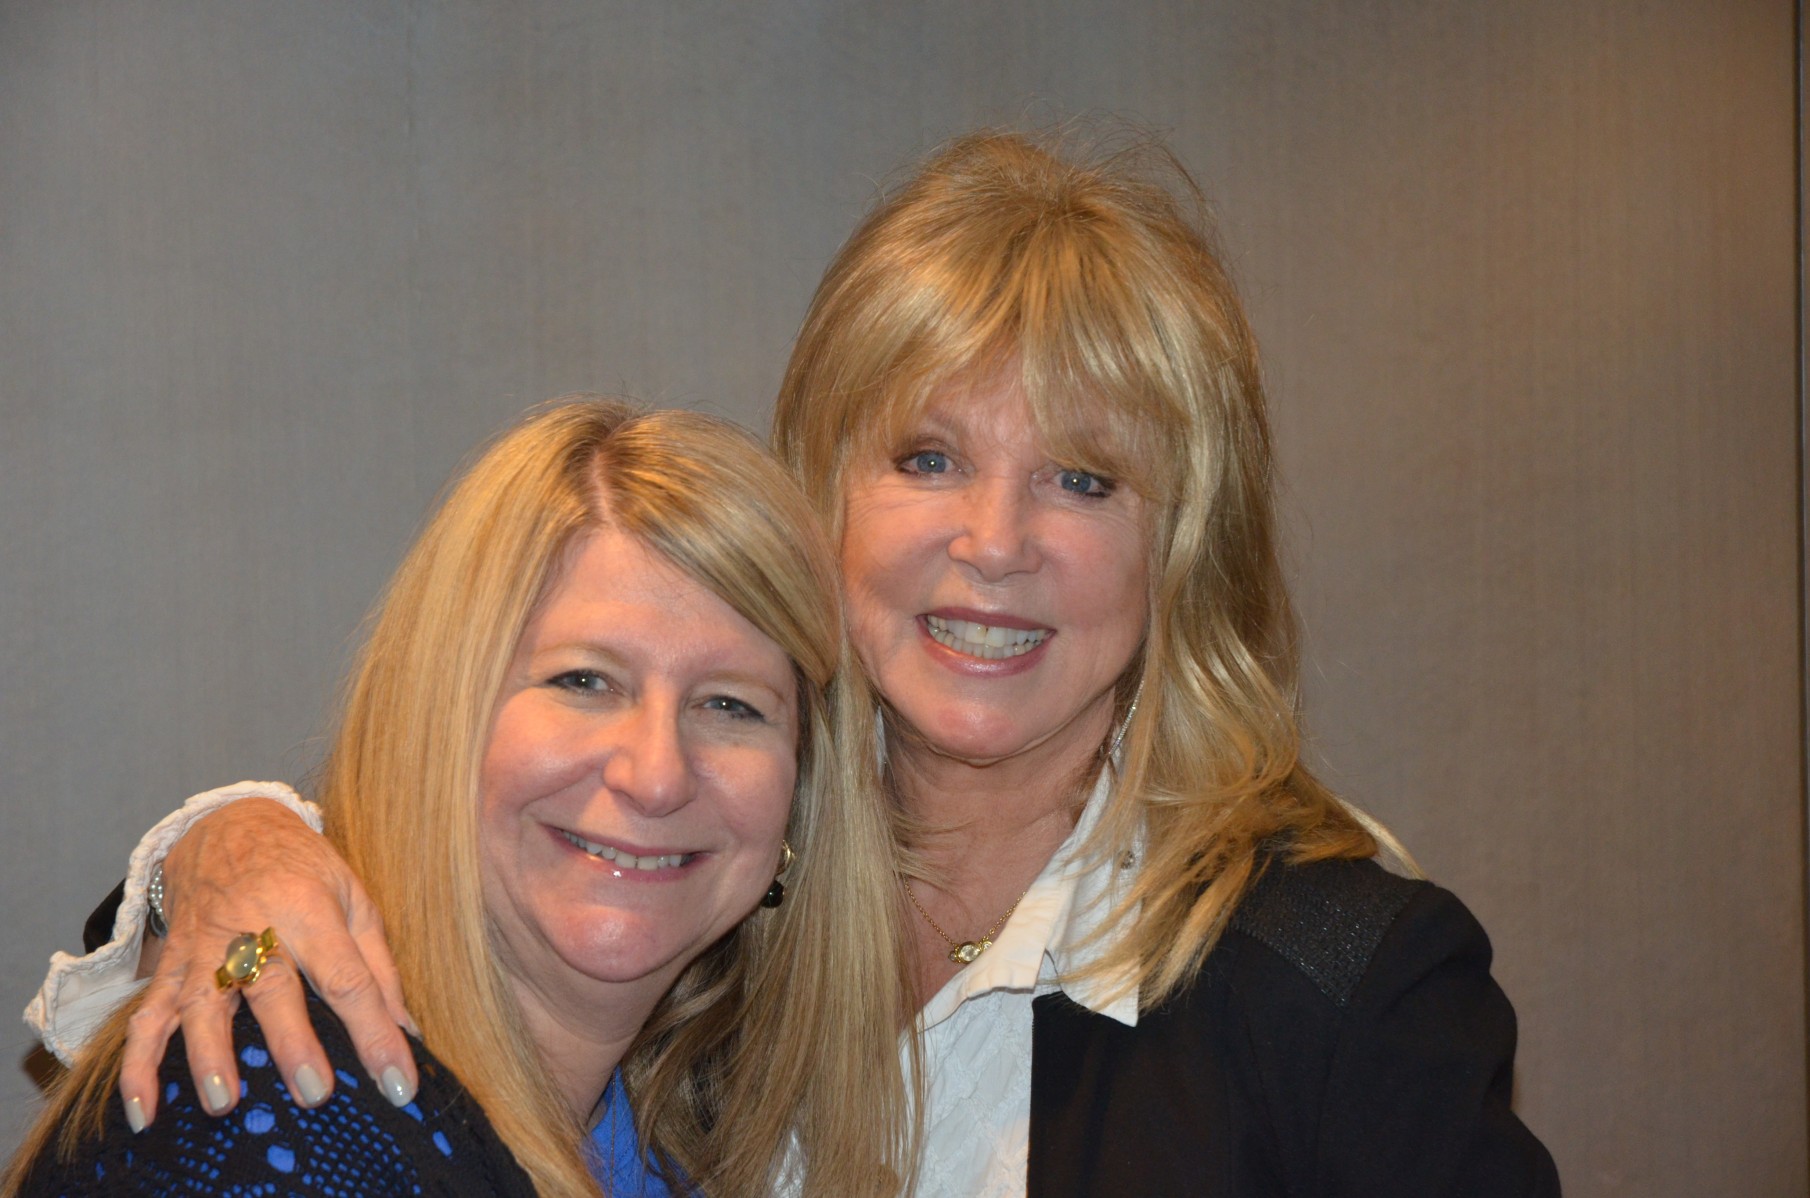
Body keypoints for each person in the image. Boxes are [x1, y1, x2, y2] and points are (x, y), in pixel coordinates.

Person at [29, 131, 1560, 1196]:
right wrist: (231, 848)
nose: (995, 539)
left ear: (1184, 545)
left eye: (1086, 481)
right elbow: (408, 870)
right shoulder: (702, 859)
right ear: (817, 492)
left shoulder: (1340, 979)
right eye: (927, 454)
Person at [8, 401, 911, 1197]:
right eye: (585, 681)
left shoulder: (677, 1130)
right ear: (443, 721)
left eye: (730, 705)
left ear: (801, 793)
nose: (657, 773)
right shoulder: (287, 1108)